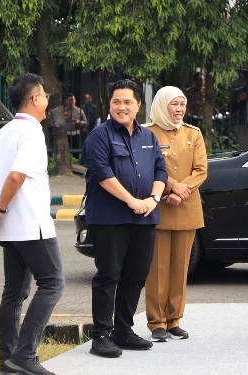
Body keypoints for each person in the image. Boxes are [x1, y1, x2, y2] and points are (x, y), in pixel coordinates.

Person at [0, 73, 64, 375]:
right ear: (35, 98)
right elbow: (16, 176)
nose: (47, 101)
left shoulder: (3, 133)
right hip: (30, 224)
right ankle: (24, 355)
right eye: (45, 95)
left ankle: (8, 362)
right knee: (52, 283)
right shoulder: (32, 133)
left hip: (10, 229)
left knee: (14, 293)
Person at [82, 79, 168, 358]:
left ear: (138, 105)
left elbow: (161, 172)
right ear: (109, 105)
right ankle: (101, 336)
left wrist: (152, 200)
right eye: (116, 102)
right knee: (109, 276)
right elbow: (102, 173)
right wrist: (132, 201)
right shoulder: (99, 135)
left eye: (128, 102)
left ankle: (123, 331)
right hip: (110, 219)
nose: (122, 107)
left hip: (145, 218)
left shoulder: (148, 137)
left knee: (136, 276)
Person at [143, 86, 208, 342]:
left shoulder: (194, 133)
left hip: (186, 206)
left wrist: (181, 192)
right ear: (162, 105)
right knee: (157, 269)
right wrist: (171, 187)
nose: (180, 109)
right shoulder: (147, 133)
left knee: (180, 270)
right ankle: (156, 322)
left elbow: (201, 170)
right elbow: (147, 168)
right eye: (174, 104)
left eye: (182, 104)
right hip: (159, 206)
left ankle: (174, 321)